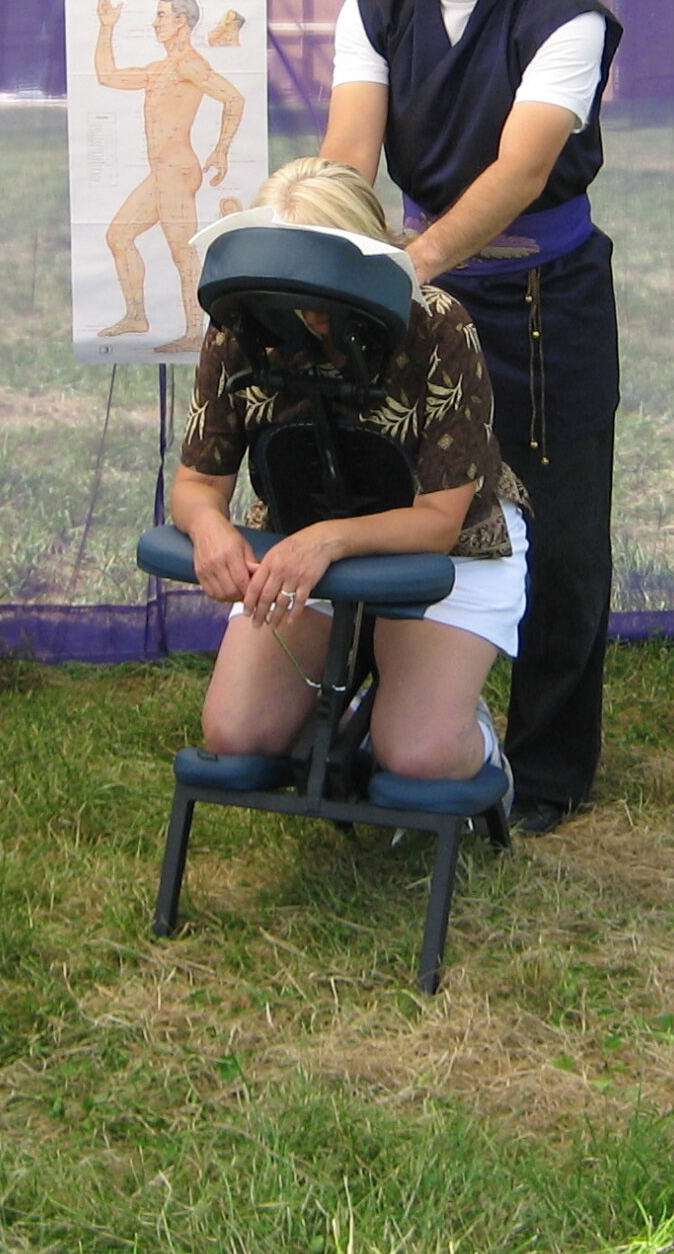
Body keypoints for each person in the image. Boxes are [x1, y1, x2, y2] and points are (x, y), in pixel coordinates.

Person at [318, 0, 622, 832]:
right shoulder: (372, 12)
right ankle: (376, 728)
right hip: (415, 296)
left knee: (562, 536)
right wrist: (333, 260)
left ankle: (548, 773)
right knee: (390, 504)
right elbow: (349, 155)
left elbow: (521, 171)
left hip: (546, 304)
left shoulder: (565, 20)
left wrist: (409, 265)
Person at [174, 158, 528, 791]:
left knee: (420, 754)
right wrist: (209, 530)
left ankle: (454, 725)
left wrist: (328, 539)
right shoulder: (243, 324)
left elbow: (438, 522)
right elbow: (198, 483)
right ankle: (349, 714)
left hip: (447, 549)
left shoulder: (438, 325)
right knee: (237, 734)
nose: (305, 316)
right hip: (298, 535)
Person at [92, 0, 245, 353]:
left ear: (181, 21)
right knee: (118, 236)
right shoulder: (158, 69)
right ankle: (136, 316)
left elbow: (234, 97)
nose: (155, 22)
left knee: (182, 253)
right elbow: (106, 75)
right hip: (161, 173)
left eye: (161, 15)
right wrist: (106, 26)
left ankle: (195, 333)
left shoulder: (189, 64)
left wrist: (221, 149)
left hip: (178, 171)